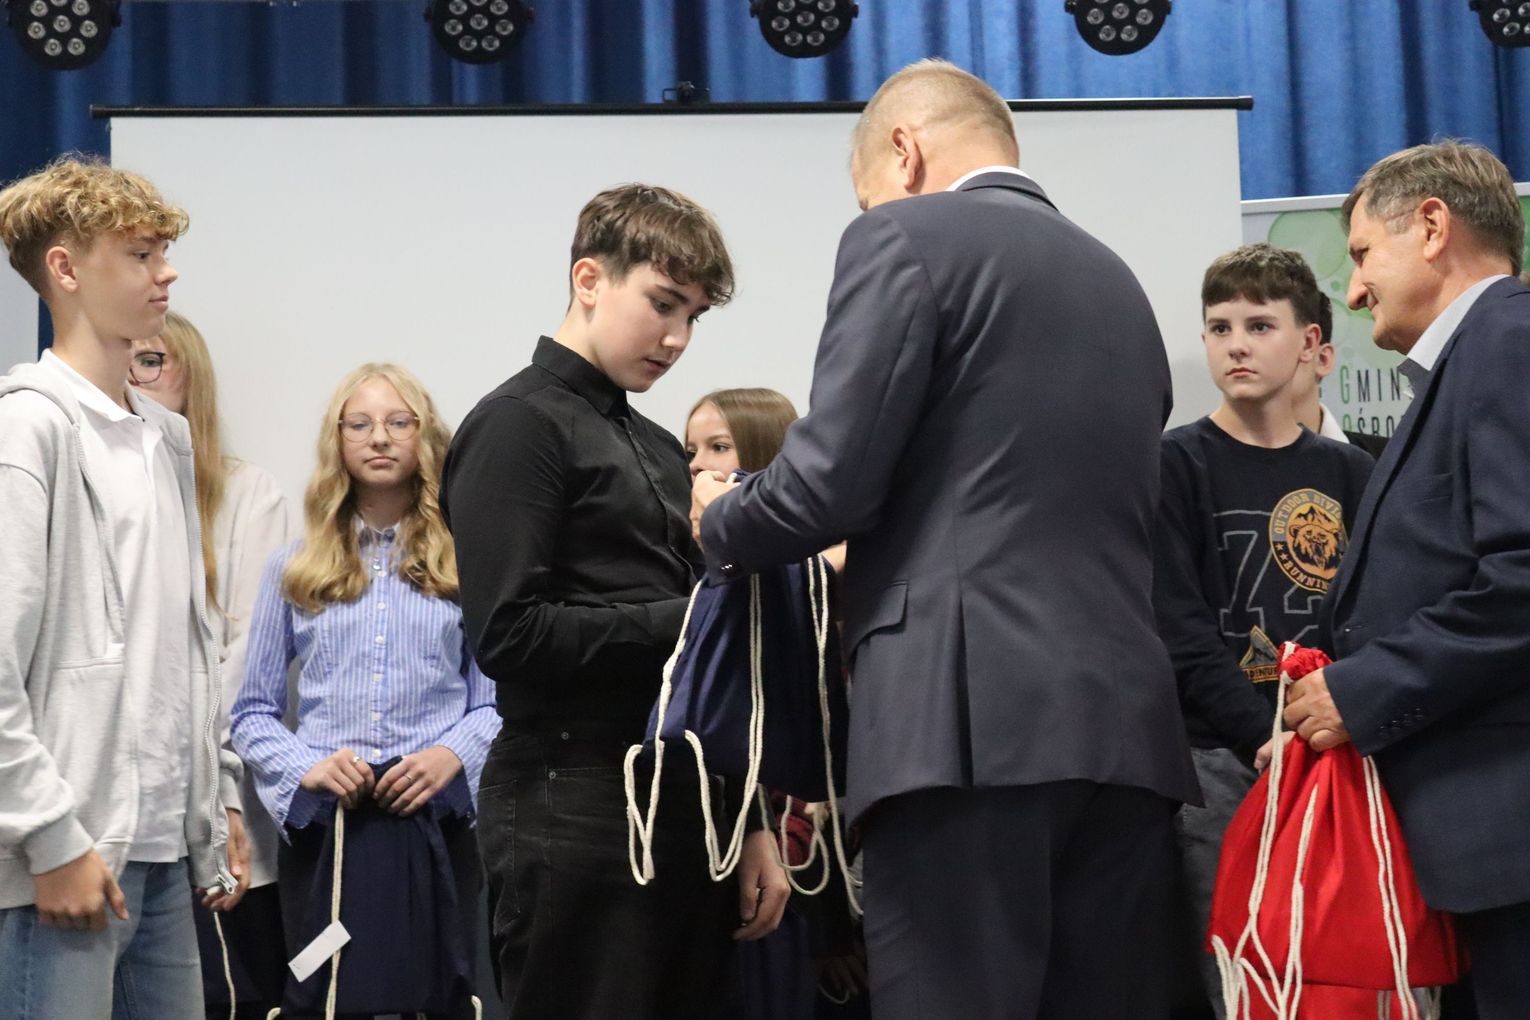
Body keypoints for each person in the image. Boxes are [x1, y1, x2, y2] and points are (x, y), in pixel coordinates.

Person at [690, 60, 1199, 1019]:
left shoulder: (903, 237)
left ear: (904, 151)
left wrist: (720, 516)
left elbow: (826, 484)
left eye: (869, 192)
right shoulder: (1119, 283)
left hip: (962, 730)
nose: (872, 210)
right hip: (1125, 736)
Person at [441, 184, 789, 1020]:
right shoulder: (517, 425)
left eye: (693, 316)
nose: (677, 338)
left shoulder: (660, 447)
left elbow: (704, 676)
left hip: (687, 805)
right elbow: (508, 635)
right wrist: (691, 623)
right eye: (663, 304)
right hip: (570, 800)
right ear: (589, 279)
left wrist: (750, 823)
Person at [1288, 141, 1530, 1020]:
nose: (1353, 292)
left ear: (1432, 226)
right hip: (1478, 852)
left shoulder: (1508, 342)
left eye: (1360, 255)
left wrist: (1364, 690)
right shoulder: (1478, 356)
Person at [0, 155, 246, 1019]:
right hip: (64, 858)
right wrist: (49, 838)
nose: (165, 273)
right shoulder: (26, 429)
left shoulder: (165, 438)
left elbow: (184, 645)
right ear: (64, 270)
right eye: (140, 254)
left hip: (165, 851)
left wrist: (215, 797)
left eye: (163, 252)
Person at [231, 363, 498, 1018]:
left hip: (436, 824)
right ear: (339, 441)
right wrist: (307, 766)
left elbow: (496, 703)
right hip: (329, 831)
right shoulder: (292, 568)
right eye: (360, 424)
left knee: (442, 996)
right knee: (322, 990)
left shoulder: (468, 564)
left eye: (398, 422)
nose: (379, 437)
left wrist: (450, 755)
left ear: (424, 436)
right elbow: (252, 713)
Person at [1153, 243, 1373, 1018]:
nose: (1236, 345)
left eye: (1258, 325)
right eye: (1219, 328)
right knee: (1237, 979)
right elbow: (1179, 629)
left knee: (1340, 973)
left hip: (1335, 752)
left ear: (1311, 343)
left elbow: (1371, 619)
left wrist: (1327, 727)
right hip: (1218, 759)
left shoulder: (1352, 473)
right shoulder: (1174, 464)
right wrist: (1265, 734)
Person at [128, 311, 296, 1018]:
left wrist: (213, 784)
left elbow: (241, 659)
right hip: (127, 810)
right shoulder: (105, 492)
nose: (135, 379)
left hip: (222, 802)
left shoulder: (248, 493)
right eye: (127, 362)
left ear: (191, 376)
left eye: (152, 361)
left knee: (236, 993)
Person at [685, 388, 865, 1020]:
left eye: (719, 447)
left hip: (838, 875)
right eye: (690, 451)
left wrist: (838, 926)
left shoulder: (837, 584)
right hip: (744, 856)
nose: (698, 467)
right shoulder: (701, 583)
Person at [1288, 291, 1389, 458]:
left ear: (1322, 359)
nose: (1244, 347)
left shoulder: (1389, 460)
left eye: (1262, 328)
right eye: (1228, 329)